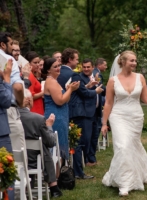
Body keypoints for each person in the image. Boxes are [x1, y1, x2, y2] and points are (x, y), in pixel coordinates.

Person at [101, 50, 147, 196]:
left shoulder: (140, 78)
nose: (135, 63)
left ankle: (134, 175)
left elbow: (146, 99)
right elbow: (108, 103)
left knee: (132, 146)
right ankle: (124, 184)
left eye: (135, 61)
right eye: (132, 60)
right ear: (122, 62)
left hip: (135, 116)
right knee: (122, 146)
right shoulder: (113, 81)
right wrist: (104, 123)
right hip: (118, 116)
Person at [57, 48, 101, 179]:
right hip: (78, 112)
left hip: (65, 110)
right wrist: (95, 91)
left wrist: (86, 86)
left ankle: (72, 170)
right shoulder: (73, 75)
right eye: (76, 59)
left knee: (73, 141)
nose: (77, 62)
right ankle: (78, 172)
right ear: (70, 60)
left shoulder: (59, 72)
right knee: (80, 143)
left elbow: (77, 90)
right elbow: (84, 94)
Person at [19, 89, 63, 198]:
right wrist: (49, 126)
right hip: (35, 160)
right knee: (43, 146)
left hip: (15, 158)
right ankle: (53, 186)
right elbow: (51, 142)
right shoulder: (38, 119)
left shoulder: (8, 119)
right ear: (29, 100)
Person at [0, 32, 25, 200]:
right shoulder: (7, 62)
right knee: (7, 167)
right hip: (2, 125)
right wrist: (7, 78)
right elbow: (5, 99)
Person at [43, 58, 79, 162]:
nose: (58, 68)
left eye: (59, 66)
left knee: (60, 145)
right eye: (55, 67)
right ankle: (56, 175)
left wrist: (68, 91)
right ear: (48, 70)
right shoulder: (52, 82)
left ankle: (59, 174)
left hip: (61, 115)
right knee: (56, 147)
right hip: (55, 116)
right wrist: (71, 89)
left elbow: (65, 99)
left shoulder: (55, 81)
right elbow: (60, 101)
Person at [80, 59, 103, 166]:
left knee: (95, 136)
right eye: (84, 67)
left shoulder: (95, 76)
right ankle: (86, 159)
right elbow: (82, 93)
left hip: (96, 111)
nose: (86, 69)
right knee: (87, 137)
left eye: (88, 67)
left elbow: (101, 89)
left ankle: (92, 157)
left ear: (92, 67)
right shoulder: (80, 78)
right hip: (86, 111)